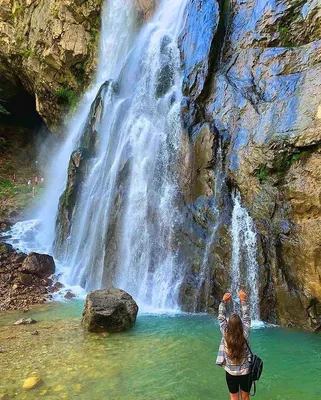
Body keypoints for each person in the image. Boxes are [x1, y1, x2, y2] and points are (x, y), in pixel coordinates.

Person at [216, 290, 252, 400]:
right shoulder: (244, 334)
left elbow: (221, 317)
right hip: (245, 371)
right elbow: (246, 317)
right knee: (245, 397)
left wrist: (223, 301)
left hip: (230, 373)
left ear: (228, 325)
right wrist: (243, 300)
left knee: (233, 398)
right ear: (241, 325)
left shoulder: (226, 334)